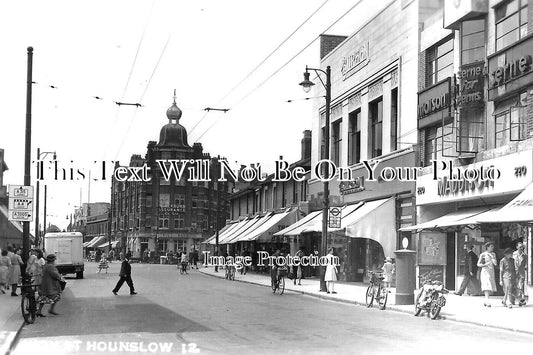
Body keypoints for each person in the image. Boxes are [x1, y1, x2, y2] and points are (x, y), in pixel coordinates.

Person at [477, 242, 497, 307]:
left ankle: (486, 300)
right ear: (487, 247)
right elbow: (478, 264)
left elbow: (495, 264)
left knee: (490, 285)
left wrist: (493, 258)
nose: (492, 248)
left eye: (492, 247)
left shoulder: (493, 254)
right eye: (491, 246)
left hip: (491, 271)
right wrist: (485, 264)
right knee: (486, 284)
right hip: (485, 271)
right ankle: (487, 299)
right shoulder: (483, 254)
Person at [513, 242, 527, 306]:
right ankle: (517, 299)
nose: (521, 248)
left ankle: (522, 299)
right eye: (520, 247)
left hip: (521, 272)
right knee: (515, 286)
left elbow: (525, 264)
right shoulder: (513, 254)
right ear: (517, 247)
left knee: (520, 285)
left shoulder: (525, 255)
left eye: (522, 247)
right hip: (514, 272)